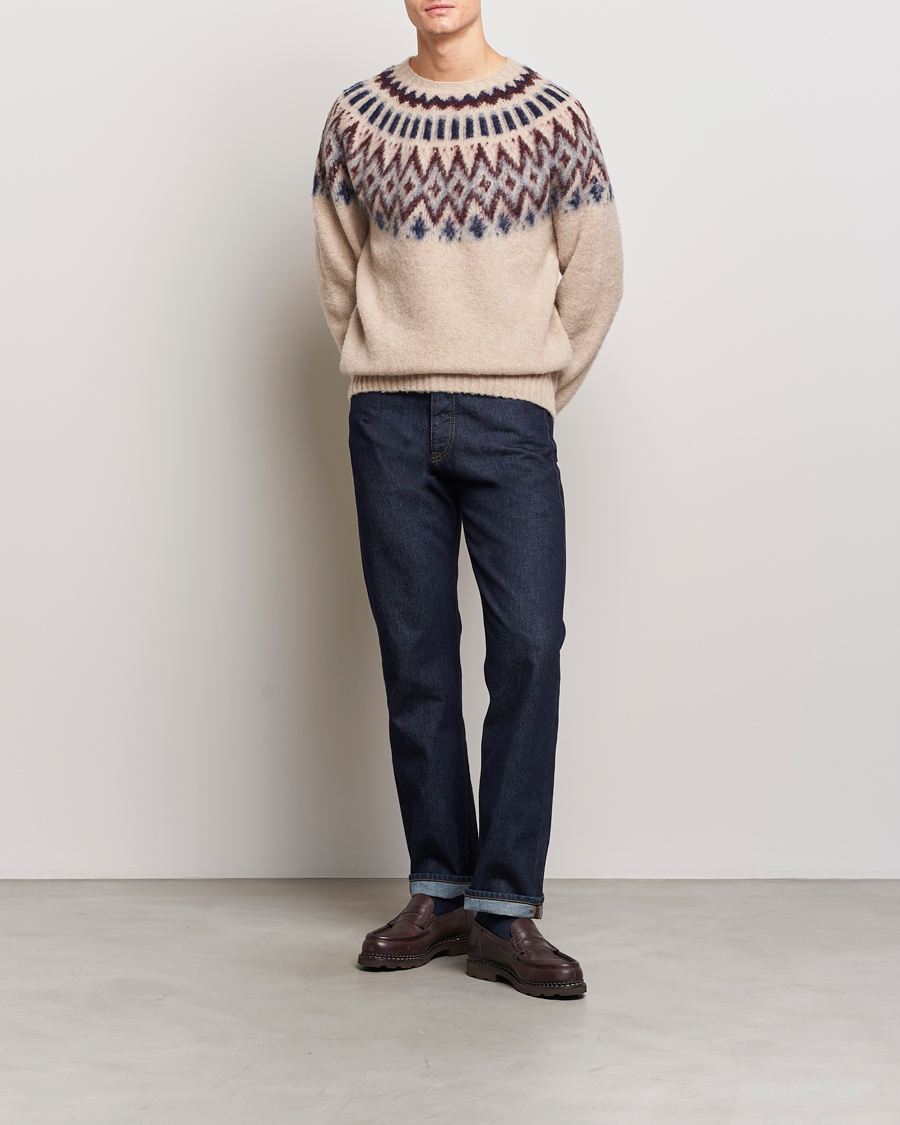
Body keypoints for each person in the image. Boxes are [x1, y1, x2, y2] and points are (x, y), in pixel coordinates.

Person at [312, 0, 623, 999]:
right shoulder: (358, 117)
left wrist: (532, 393)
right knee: (416, 655)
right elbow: (339, 272)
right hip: (389, 417)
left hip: (510, 416)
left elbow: (596, 274)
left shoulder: (553, 117)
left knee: (529, 644)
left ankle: (505, 906)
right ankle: (440, 888)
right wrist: (382, 371)